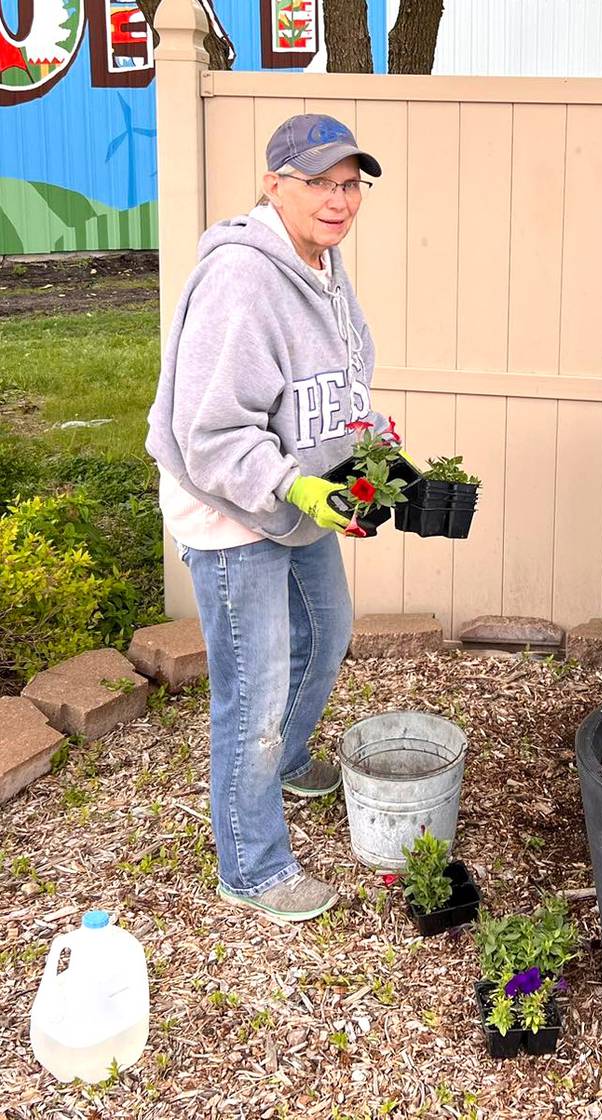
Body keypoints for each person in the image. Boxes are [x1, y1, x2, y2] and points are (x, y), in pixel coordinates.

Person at [146, 114, 397, 922]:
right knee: (251, 692)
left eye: (350, 183)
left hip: (292, 500)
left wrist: (367, 448)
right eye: (320, 182)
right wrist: (298, 488)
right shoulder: (242, 279)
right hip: (230, 511)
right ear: (273, 183)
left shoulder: (321, 266)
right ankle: (251, 865)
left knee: (326, 632)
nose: (339, 199)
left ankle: (286, 759)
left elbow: (334, 383)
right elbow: (210, 432)